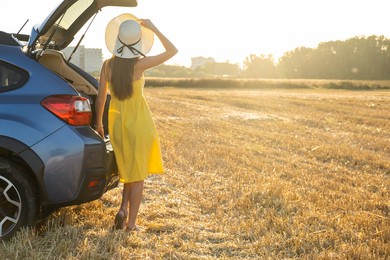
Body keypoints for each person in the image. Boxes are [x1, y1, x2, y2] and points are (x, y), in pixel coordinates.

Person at [94, 13, 177, 231]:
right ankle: (131, 224)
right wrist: (155, 28)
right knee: (137, 175)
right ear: (137, 42)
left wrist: (99, 124)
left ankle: (123, 210)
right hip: (139, 123)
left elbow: (101, 98)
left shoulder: (106, 66)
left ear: (118, 41)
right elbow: (172, 51)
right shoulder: (139, 65)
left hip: (117, 124)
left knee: (129, 171)